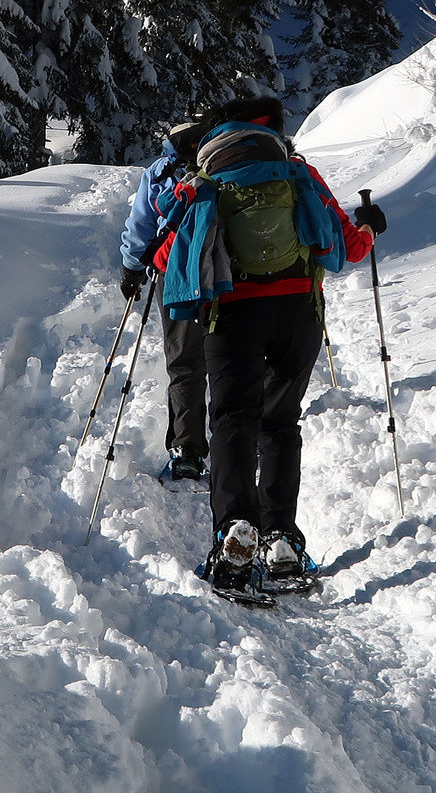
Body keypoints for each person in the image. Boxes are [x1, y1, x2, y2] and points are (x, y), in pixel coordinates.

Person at [156, 95, 385, 596]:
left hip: (233, 316)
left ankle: (235, 532)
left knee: (233, 420)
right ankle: (281, 537)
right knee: (279, 423)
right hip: (298, 313)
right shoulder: (298, 174)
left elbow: (168, 255)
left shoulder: (207, 185)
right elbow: (345, 245)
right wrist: (370, 227)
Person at [118, 118, 210, 481]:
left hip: (175, 273)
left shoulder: (161, 170)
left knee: (185, 360)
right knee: (229, 356)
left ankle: (187, 449)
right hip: (228, 273)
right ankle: (241, 440)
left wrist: (131, 268)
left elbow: (142, 223)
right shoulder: (227, 160)